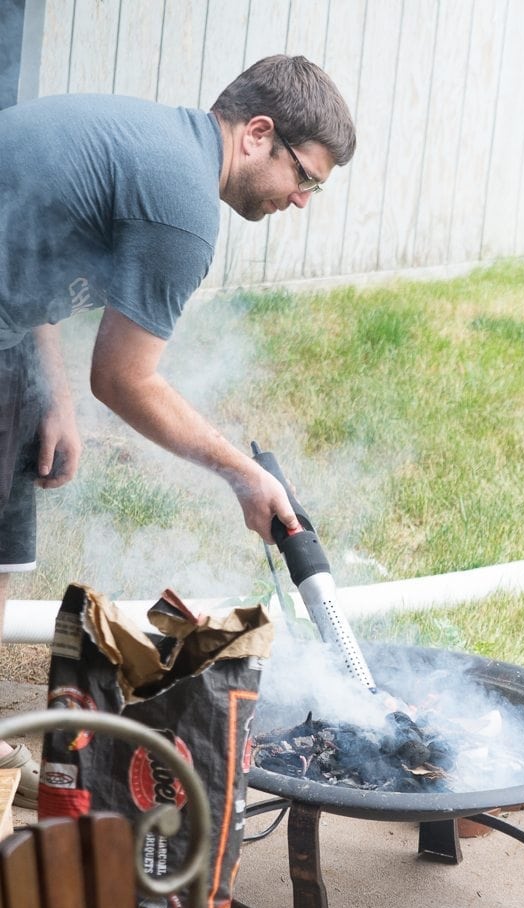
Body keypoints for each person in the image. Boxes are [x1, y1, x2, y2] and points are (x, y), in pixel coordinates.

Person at [0, 53, 356, 806]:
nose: (302, 200)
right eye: (306, 177)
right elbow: (127, 379)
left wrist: (52, 391)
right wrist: (245, 474)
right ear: (258, 133)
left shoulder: (163, 145)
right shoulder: (182, 203)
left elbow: (28, 247)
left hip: (8, 340)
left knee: (3, 558)